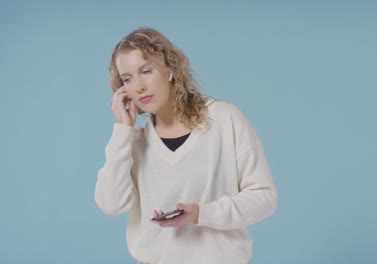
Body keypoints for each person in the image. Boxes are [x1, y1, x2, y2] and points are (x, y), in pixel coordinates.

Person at [94, 27, 277, 264]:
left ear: (170, 69)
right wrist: (123, 129)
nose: (138, 86)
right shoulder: (133, 143)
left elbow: (264, 199)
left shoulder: (224, 119)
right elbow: (111, 204)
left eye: (146, 71)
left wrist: (200, 214)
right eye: (127, 78)